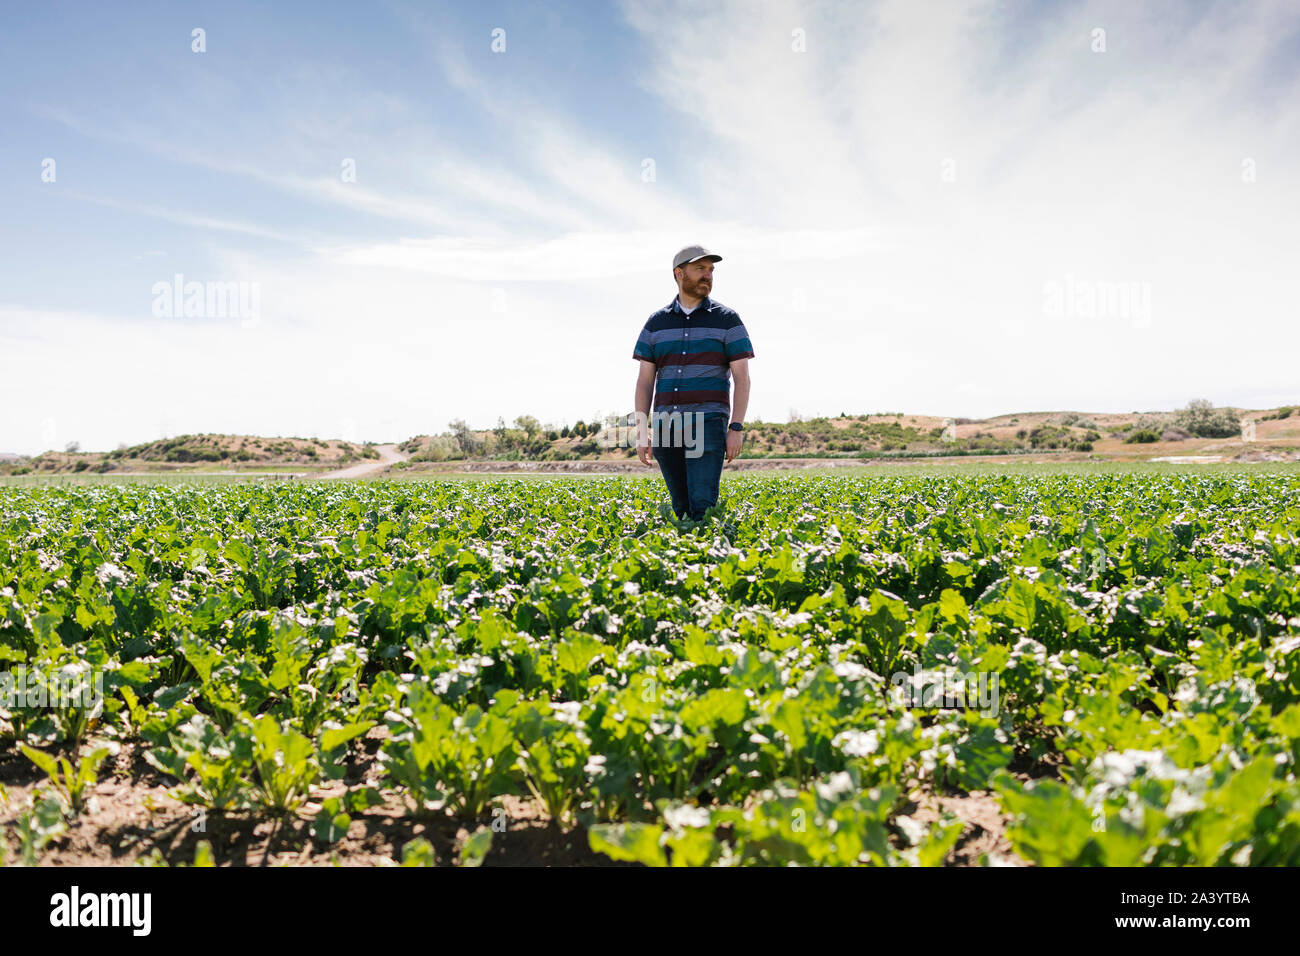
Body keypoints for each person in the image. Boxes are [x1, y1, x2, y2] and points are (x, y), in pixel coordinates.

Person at [632, 244, 754, 522]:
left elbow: (742, 378)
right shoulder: (656, 323)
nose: (708, 275)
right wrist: (641, 429)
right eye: (700, 268)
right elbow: (644, 382)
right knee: (680, 507)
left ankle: (708, 559)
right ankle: (685, 562)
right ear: (679, 273)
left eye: (711, 270)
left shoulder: (727, 320)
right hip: (666, 425)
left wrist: (736, 426)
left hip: (708, 422)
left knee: (702, 505)